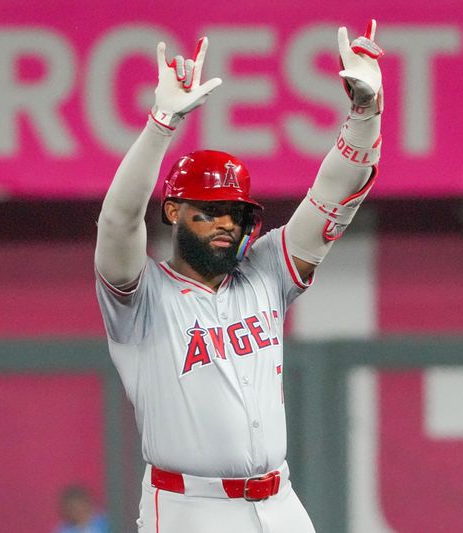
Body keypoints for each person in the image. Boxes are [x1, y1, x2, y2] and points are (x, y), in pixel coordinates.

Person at [94, 19, 384, 533]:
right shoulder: (139, 298)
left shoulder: (266, 271)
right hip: (189, 508)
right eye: (209, 209)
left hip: (281, 501)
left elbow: (336, 195)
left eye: (235, 210)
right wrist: (160, 125)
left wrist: (365, 114)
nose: (226, 222)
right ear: (174, 212)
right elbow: (118, 221)